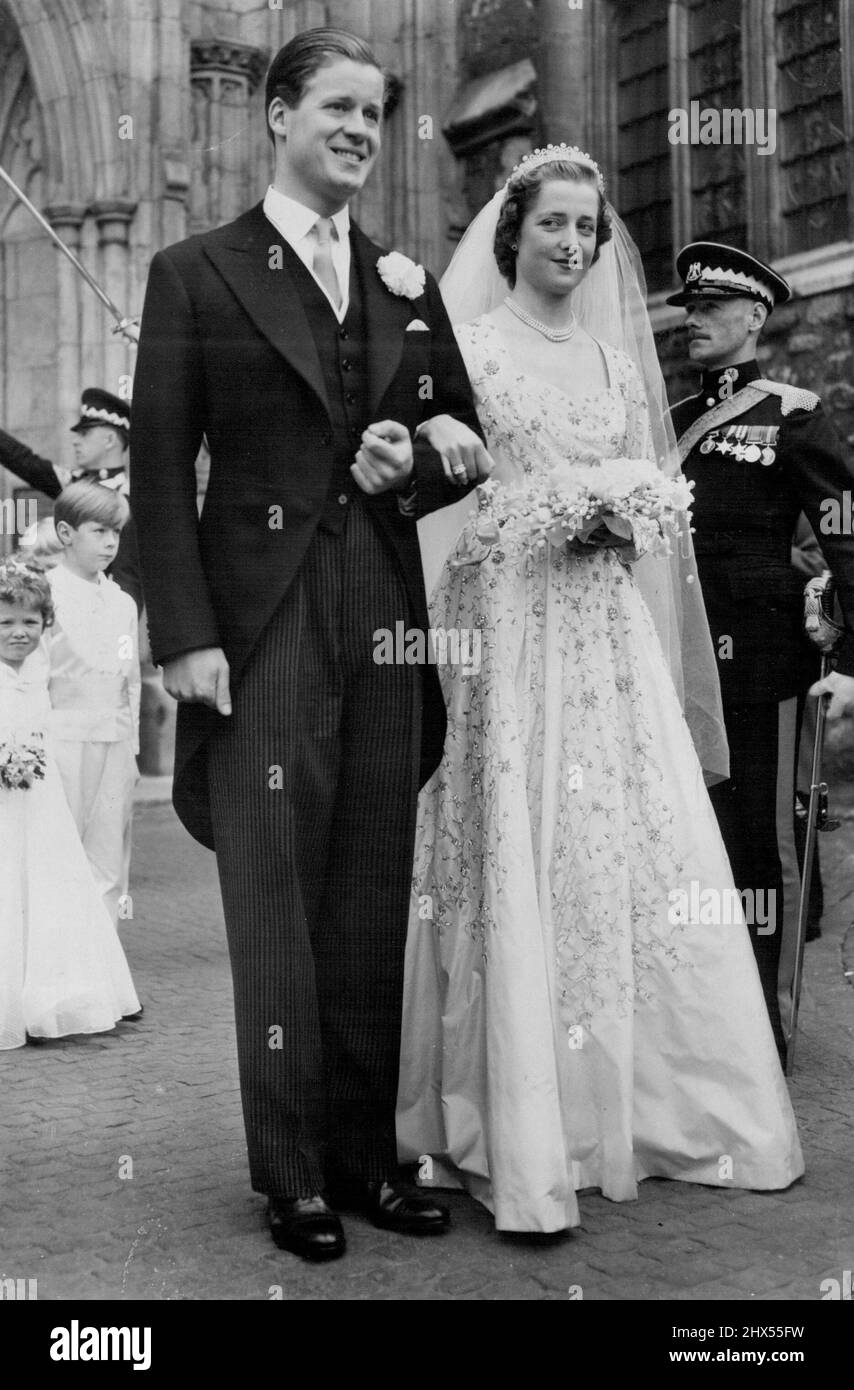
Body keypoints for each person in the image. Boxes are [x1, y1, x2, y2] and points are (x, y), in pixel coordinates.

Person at [130, 27, 490, 1262]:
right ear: (275, 115)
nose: (357, 130)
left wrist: (417, 461)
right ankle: (289, 1175)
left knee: (369, 893)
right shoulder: (195, 271)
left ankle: (360, 1156)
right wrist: (182, 634)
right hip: (263, 618)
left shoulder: (405, 277)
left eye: (374, 114)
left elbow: (463, 441)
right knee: (276, 901)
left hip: (382, 610)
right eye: (334, 106)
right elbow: (158, 464)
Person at [397, 146, 804, 1235]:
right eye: (553, 225)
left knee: (623, 845)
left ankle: (646, 1099)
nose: (573, 244)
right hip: (511, 633)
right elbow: (448, 510)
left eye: (587, 227)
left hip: (605, 639)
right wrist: (537, 516)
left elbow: (653, 497)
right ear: (511, 233)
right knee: (521, 845)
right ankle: (517, 1120)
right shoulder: (468, 350)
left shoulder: (622, 367)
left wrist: (629, 515)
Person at [667, 242, 854, 1058]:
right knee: (694, 837)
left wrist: (847, 661)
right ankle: (707, 1015)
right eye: (690, 309)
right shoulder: (672, 423)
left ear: (753, 317)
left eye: (711, 308)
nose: (694, 321)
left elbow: (847, 536)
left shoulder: (795, 414)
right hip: (679, 661)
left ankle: (766, 1028)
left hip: (762, 664)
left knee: (764, 843)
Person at [0, 562, 140, 1049]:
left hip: (39, 800)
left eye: (30, 624)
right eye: (6, 623)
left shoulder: (42, 670)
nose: (19, 633)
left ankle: (50, 994)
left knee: (49, 887)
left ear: (45, 626)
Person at [45, 481, 141, 927]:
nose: (109, 543)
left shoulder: (122, 602)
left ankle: (107, 976)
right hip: (61, 741)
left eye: (116, 533)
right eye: (99, 531)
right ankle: (62, 969)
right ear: (66, 533)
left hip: (114, 740)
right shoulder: (44, 594)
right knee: (60, 857)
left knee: (108, 861)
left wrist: (133, 747)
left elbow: (131, 678)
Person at [0, 389, 142, 613]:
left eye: (84, 434)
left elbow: (129, 578)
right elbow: (23, 461)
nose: (75, 441)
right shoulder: (75, 485)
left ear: (110, 439)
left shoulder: (130, 499)